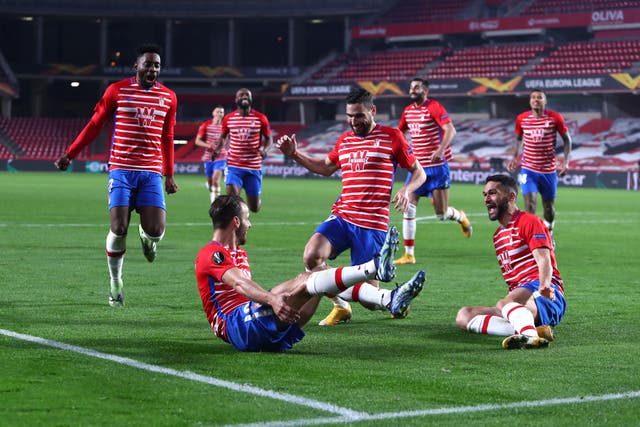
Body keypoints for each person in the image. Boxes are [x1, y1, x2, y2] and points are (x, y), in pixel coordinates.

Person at [195, 195, 426, 352]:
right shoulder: (211, 253)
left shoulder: (238, 253)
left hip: (250, 314)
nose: (249, 224)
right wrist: (272, 298)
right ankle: (374, 268)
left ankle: (388, 298)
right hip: (234, 324)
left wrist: (276, 296)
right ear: (236, 222)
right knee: (309, 285)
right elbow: (239, 284)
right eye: (247, 219)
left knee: (313, 275)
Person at [277, 87, 427, 325]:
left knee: (368, 300)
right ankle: (344, 305)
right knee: (312, 257)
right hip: (343, 216)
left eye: (358, 115)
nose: (353, 121)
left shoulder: (392, 137)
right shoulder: (344, 140)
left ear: (372, 111)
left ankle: (384, 299)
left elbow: (420, 173)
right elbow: (325, 167)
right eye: (349, 116)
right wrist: (295, 154)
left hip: (372, 224)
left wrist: (406, 189)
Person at [55, 44, 179, 307]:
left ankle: (147, 239)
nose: (153, 69)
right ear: (136, 66)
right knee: (118, 227)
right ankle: (115, 282)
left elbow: (168, 137)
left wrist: (169, 174)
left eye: (157, 65)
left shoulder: (169, 97)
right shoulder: (117, 91)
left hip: (151, 172)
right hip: (121, 169)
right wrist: (70, 153)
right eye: (148, 64)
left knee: (156, 230)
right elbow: (95, 124)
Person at [455, 174, 566, 350]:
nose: (487, 199)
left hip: (545, 293)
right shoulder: (498, 236)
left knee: (504, 304)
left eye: (492, 193)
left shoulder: (529, 221)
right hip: (520, 299)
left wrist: (545, 285)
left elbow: (544, 258)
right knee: (464, 315)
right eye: (484, 194)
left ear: (511, 197)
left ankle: (529, 337)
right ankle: (533, 330)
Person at [394, 77, 472, 266]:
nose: (413, 89)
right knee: (409, 206)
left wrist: (440, 149)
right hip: (418, 169)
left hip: (438, 168)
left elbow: (450, 130)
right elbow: (399, 132)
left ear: (425, 91)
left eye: (417, 87)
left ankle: (461, 217)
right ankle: (409, 254)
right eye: (411, 87)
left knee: (441, 213)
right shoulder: (408, 111)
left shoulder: (434, 107)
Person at [507, 89, 572, 235]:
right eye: (533, 97)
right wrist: (514, 157)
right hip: (528, 169)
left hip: (548, 171)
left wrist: (566, 162)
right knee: (530, 204)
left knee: (548, 207)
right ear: (530, 101)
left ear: (545, 101)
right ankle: (533, 237)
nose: (536, 100)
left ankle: (549, 229)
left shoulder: (555, 118)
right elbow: (518, 139)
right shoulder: (522, 119)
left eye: (539, 97)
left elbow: (567, 140)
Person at [212, 88, 272, 213]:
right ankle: (239, 222)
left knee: (254, 208)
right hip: (234, 165)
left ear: (251, 99)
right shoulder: (228, 118)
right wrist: (217, 150)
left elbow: (269, 138)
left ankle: (247, 208)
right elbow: (223, 137)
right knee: (233, 201)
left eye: (247, 95)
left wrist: (265, 149)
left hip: (253, 167)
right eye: (241, 95)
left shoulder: (261, 118)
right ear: (236, 99)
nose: (244, 96)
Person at [195, 106, 226, 203]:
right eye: (217, 112)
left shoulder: (225, 126)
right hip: (208, 157)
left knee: (216, 180)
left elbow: (226, 140)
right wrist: (208, 145)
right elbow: (197, 141)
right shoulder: (206, 125)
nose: (219, 114)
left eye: (221, 112)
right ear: (213, 113)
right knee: (210, 182)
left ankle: (216, 201)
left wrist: (219, 148)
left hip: (221, 156)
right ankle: (211, 189)